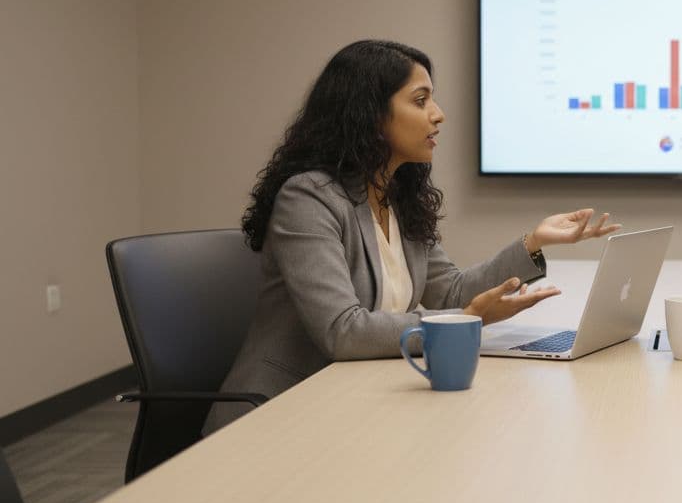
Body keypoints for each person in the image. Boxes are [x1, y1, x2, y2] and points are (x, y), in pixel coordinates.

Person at [204, 40, 619, 433]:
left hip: (352, 404)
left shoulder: (397, 197)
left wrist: (534, 242)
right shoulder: (309, 198)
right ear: (369, 114)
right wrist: (464, 319)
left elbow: (450, 291)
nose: (438, 115)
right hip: (278, 414)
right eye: (420, 101)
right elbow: (342, 331)